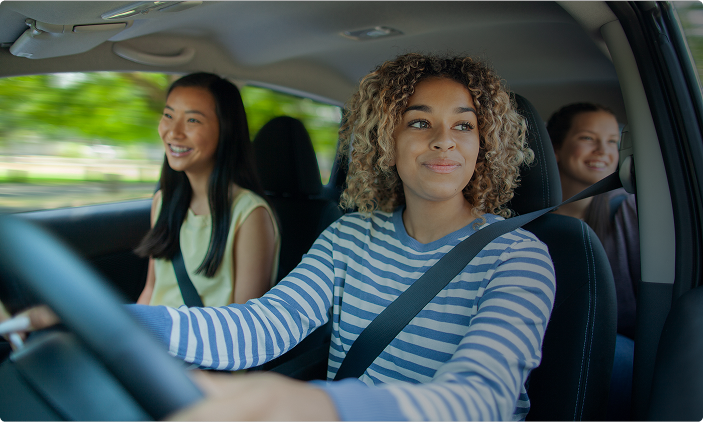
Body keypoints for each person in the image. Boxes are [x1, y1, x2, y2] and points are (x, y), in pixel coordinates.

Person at [4, 54, 556, 421]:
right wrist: (109, 320)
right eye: (419, 122)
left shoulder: (519, 258)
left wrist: (315, 406)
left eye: (464, 125)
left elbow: (481, 399)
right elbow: (259, 325)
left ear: (486, 144)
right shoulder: (350, 238)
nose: (443, 141)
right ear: (385, 137)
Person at [135, 72, 281, 307]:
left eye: (192, 120)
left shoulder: (249, 214)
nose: (173, 132)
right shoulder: (163, 201)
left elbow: (243, 324)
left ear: (226, 130)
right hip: (153, 336)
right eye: (168, 115)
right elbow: (152, 290)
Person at [547, 102, 639, 422]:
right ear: (555, 148)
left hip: (612, 348)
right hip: (535, 338)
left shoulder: (628, 211)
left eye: (613, 141)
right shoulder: (520, 220)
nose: (604, 150)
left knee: (621, 359)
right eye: (588, 138)